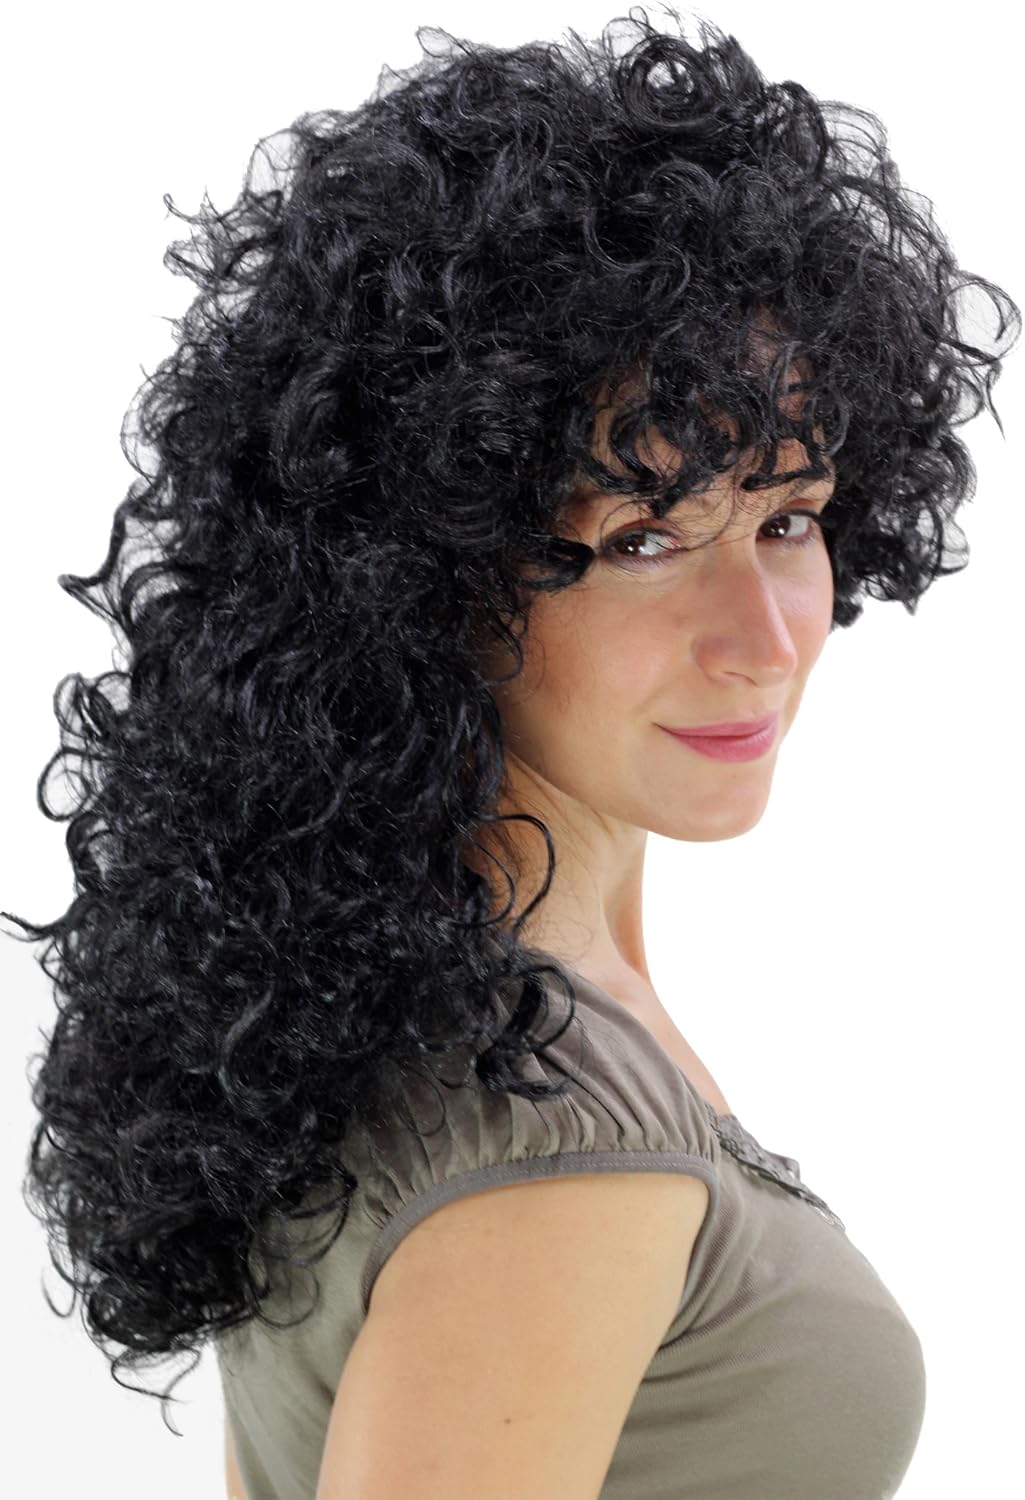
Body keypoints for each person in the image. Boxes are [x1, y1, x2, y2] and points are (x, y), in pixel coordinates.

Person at [6, 10, 1018, 1500]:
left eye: (788, 519)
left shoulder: (371, 997)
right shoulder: (557, 1141)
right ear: (426, 574)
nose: (763, 638)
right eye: (644, 538)